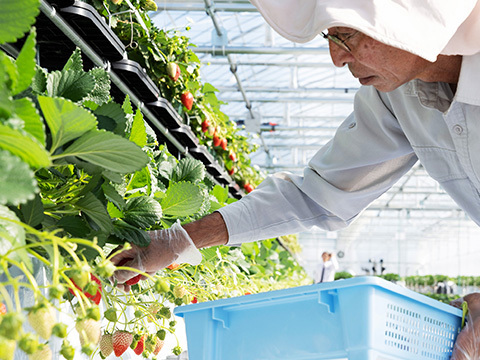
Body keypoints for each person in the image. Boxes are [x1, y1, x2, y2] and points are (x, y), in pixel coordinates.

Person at [111, 1, 480, 358]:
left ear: (412, 15)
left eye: (346, 34)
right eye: (330, 38)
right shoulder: (396, 97)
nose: (337, 58)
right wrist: (178, 240)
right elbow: (314, 195)